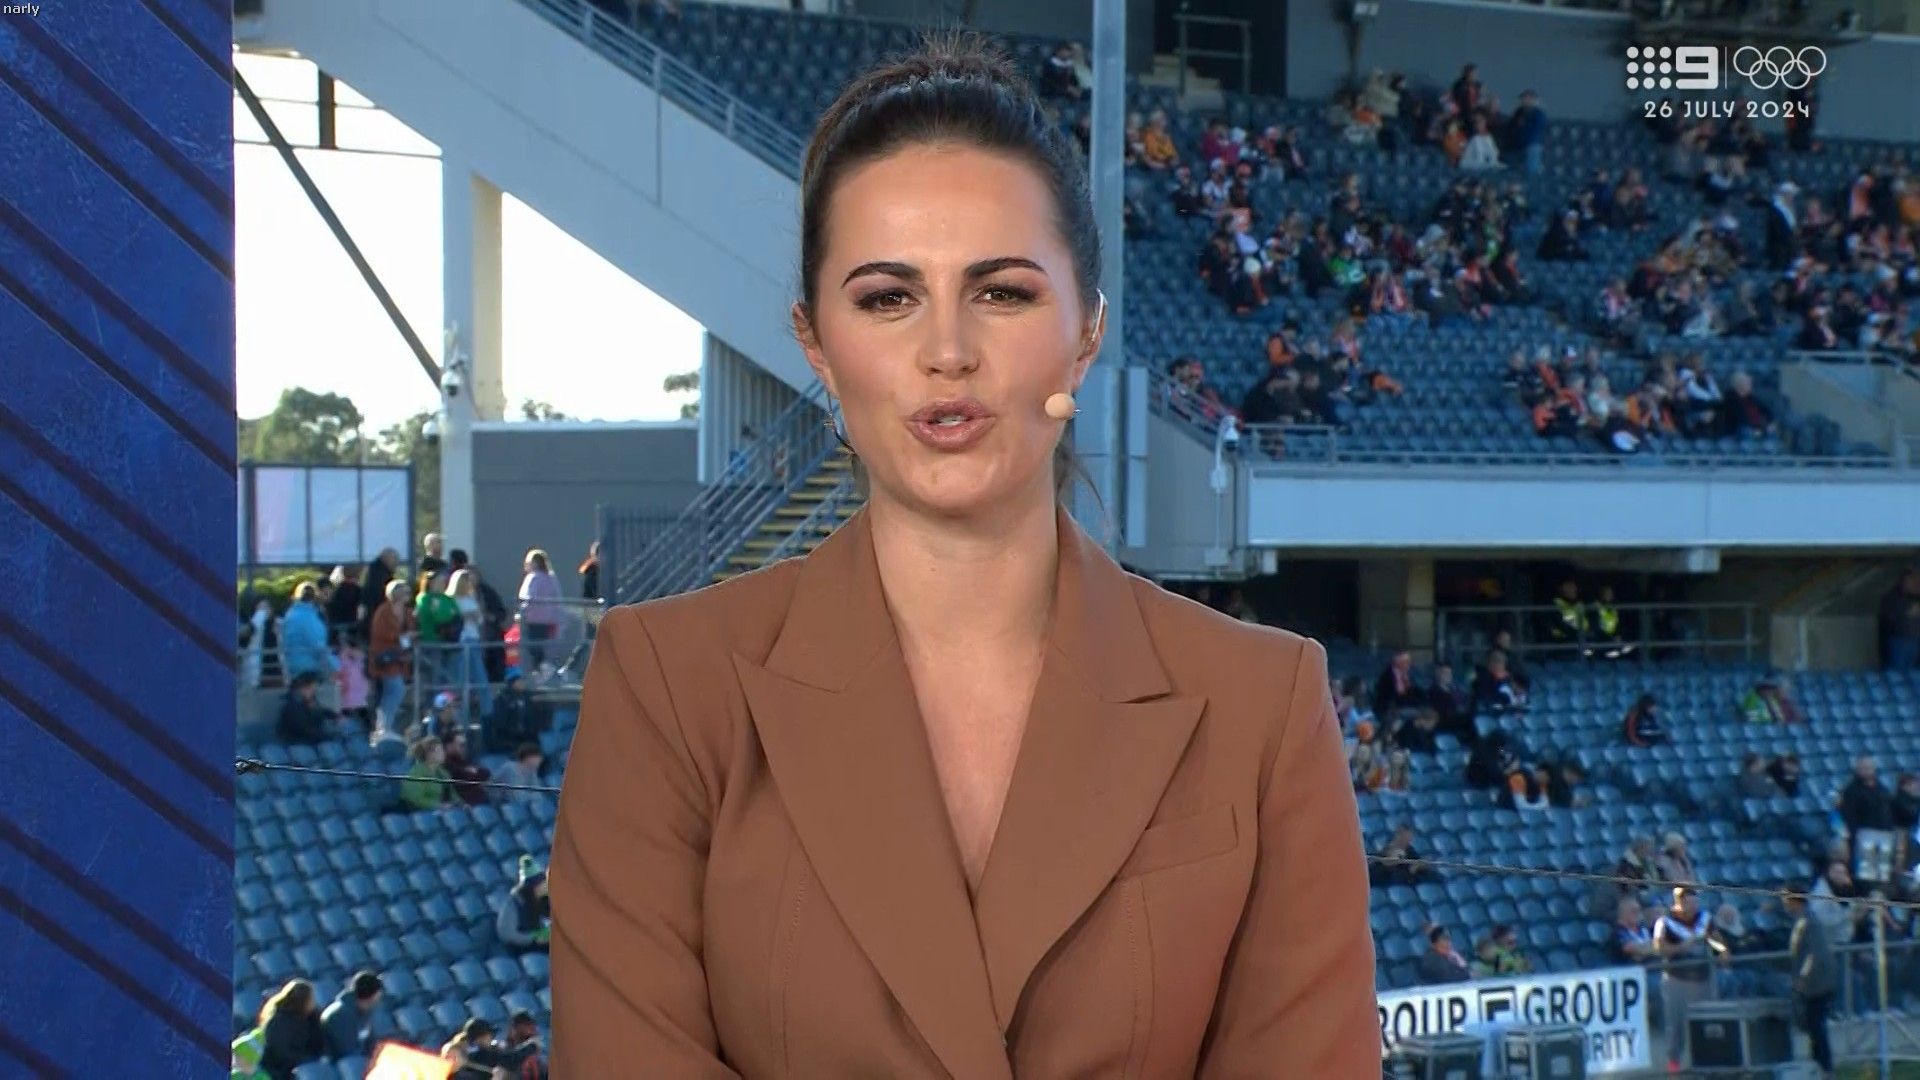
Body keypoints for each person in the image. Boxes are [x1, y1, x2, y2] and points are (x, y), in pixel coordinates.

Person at [549, 34, 1378, 1077]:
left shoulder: (1264, 703)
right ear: (816, 344)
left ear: (1087, 333)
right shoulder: (666, 689)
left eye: (1003, 293)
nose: (947, 351)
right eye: (887, 298)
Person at [1655, 886, 1723, 1071]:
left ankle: (1707, 1062)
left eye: (1694, 900)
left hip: (1703, 977)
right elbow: (1659, 948)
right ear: (1679, 902)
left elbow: (1716, 939)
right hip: (1677, 979)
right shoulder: (1665, 922)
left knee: (1708, 1020)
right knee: (1676, 1023)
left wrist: (1722, 950)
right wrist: (1682, 947)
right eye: (1688, 901)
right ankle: (1674, 1064)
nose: (1692, 904)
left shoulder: (1705, 918)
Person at [1785, 887, 1837, 1075]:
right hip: (1813, 983)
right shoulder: (1802, 920)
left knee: (1817, 1027)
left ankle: (1825, 1067)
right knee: (1814, 1027)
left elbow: (1813, 954)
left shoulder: (1808, 921)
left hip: (1817, 983)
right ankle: (1819, 1066)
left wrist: (1802, 978)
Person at [253, 978, 324, 1080]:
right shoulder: (278, 1021)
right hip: (279, 1069)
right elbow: (282, 1052)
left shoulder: (311, 1017)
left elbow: (318, 1041)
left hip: (305, 1061)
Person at [367, 580, 414, 735]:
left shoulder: (407, 612)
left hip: (401, 658)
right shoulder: (383, 611)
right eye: (404, 591)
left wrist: (411, 636)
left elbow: (411, 628)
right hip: (385, 657)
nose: (408, 594)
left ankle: (385, 726)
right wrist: (399, 637)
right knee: (395, 689)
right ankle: (384, 727)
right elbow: (378, 632)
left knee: (394, 691)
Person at [440, 1018, 543, 1079]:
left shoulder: (476, 1053)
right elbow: (510, 1059)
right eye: (489, 1036)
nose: (491, 1039)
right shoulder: (480, 1055)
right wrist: (531, 1046)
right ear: (481, 1038)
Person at [319, 970, 385, 1061]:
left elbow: (370, 1044)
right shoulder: (340, 1015)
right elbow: (348, 1051)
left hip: (357, 1060)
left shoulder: (365, 1011)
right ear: (373, 997)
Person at [518, 549, 563, 672]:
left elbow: (528, 598)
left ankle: (538, 672)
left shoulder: (533, 578)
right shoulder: (551, 579)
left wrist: (522, 613)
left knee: (533, 649)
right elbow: (557, 598)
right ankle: (545, 671)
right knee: (545, 648)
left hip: (533, 620)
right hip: (549, 620)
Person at [499, 855, 552, 953]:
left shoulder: (547, 899)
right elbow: (507, 934)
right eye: (541, 884)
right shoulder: (514, 904)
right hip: (523, 950)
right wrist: (533, 938)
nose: (545, 886)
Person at [276, 671, 336, 746]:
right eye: (311, 688)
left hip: (310, 739)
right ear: (302, 688)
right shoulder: (293, 706)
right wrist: (328, 737)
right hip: (297, 742)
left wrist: (335, 716)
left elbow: (320, 711)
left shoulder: (308, 701)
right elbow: (304, 729)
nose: (313, 692)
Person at [399, 735, 453, 812]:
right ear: (429, 754)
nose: (443, 753)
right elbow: (414, 799)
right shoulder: (417, 772)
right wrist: (438, 805)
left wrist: (462, 805)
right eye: (439, 750)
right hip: (421, 812)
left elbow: (453, 795)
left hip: (442, 812)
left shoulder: (443, 773)